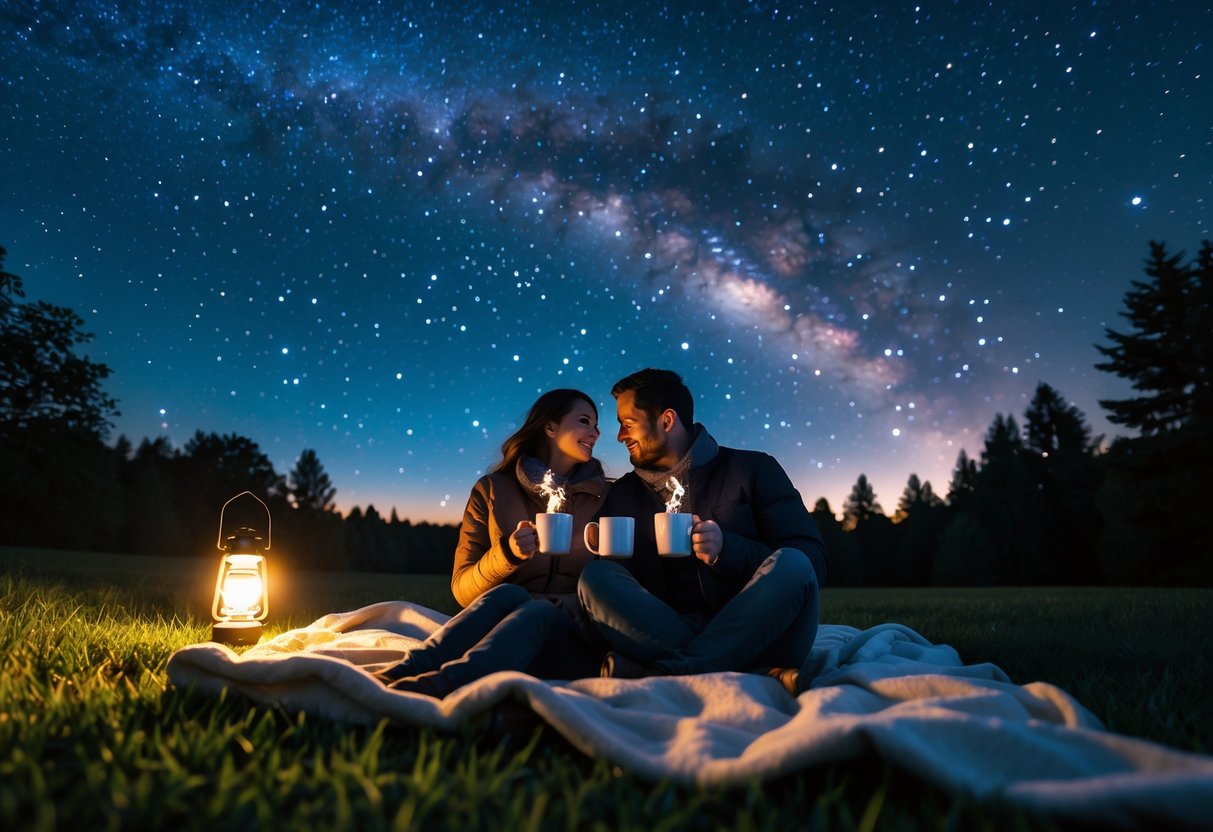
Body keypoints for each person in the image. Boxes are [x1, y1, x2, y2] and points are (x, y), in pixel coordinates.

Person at [577, 368, 828, 694]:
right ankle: (752, 673)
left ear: (666, 421)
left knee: (794, 564)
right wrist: (612, 555)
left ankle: (672, 673)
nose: (620, 436)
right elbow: (623, 589)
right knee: (596, 577)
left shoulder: (753, 469)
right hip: (665, 630)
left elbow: (813, 562)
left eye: (628, 423)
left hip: (760, 628)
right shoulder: (623, 494)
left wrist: (728, 551)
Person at [375, 388, 608, 697]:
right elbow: (462, 589)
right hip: (504, 628)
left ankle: (442, 686)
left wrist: (563, 602)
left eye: (596, 425)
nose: (596, 432)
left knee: (538, 612)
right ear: (550, 428)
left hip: (573, 633)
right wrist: (507, 554)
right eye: (585, 421)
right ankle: (402, 672)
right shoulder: (492, 490)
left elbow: (616, 583)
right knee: (509, 593)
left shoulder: (604, 497)